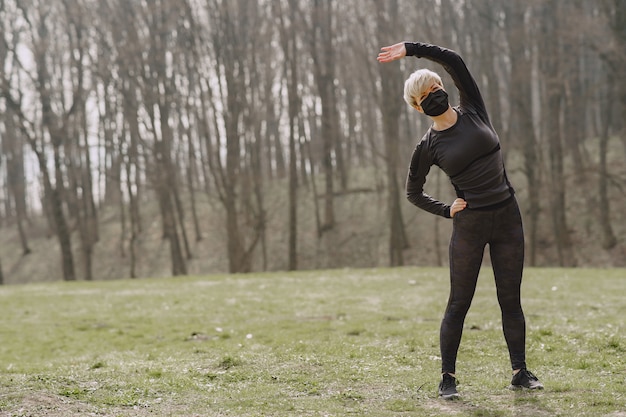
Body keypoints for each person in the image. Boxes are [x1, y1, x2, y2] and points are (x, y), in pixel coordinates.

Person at [377, 41, 543, 400]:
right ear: (417, 106)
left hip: (507, 218)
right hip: (470, 225)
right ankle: (447, 379)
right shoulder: (427, 147)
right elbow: (413, 192)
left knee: (510, 299)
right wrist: (446, 209)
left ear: (444, 88)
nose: (434, 95)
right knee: (459, 303)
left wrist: (410, 49)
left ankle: (520, 372)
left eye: (436, 87)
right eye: (425, 95)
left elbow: (453, 59)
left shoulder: (473, 109)